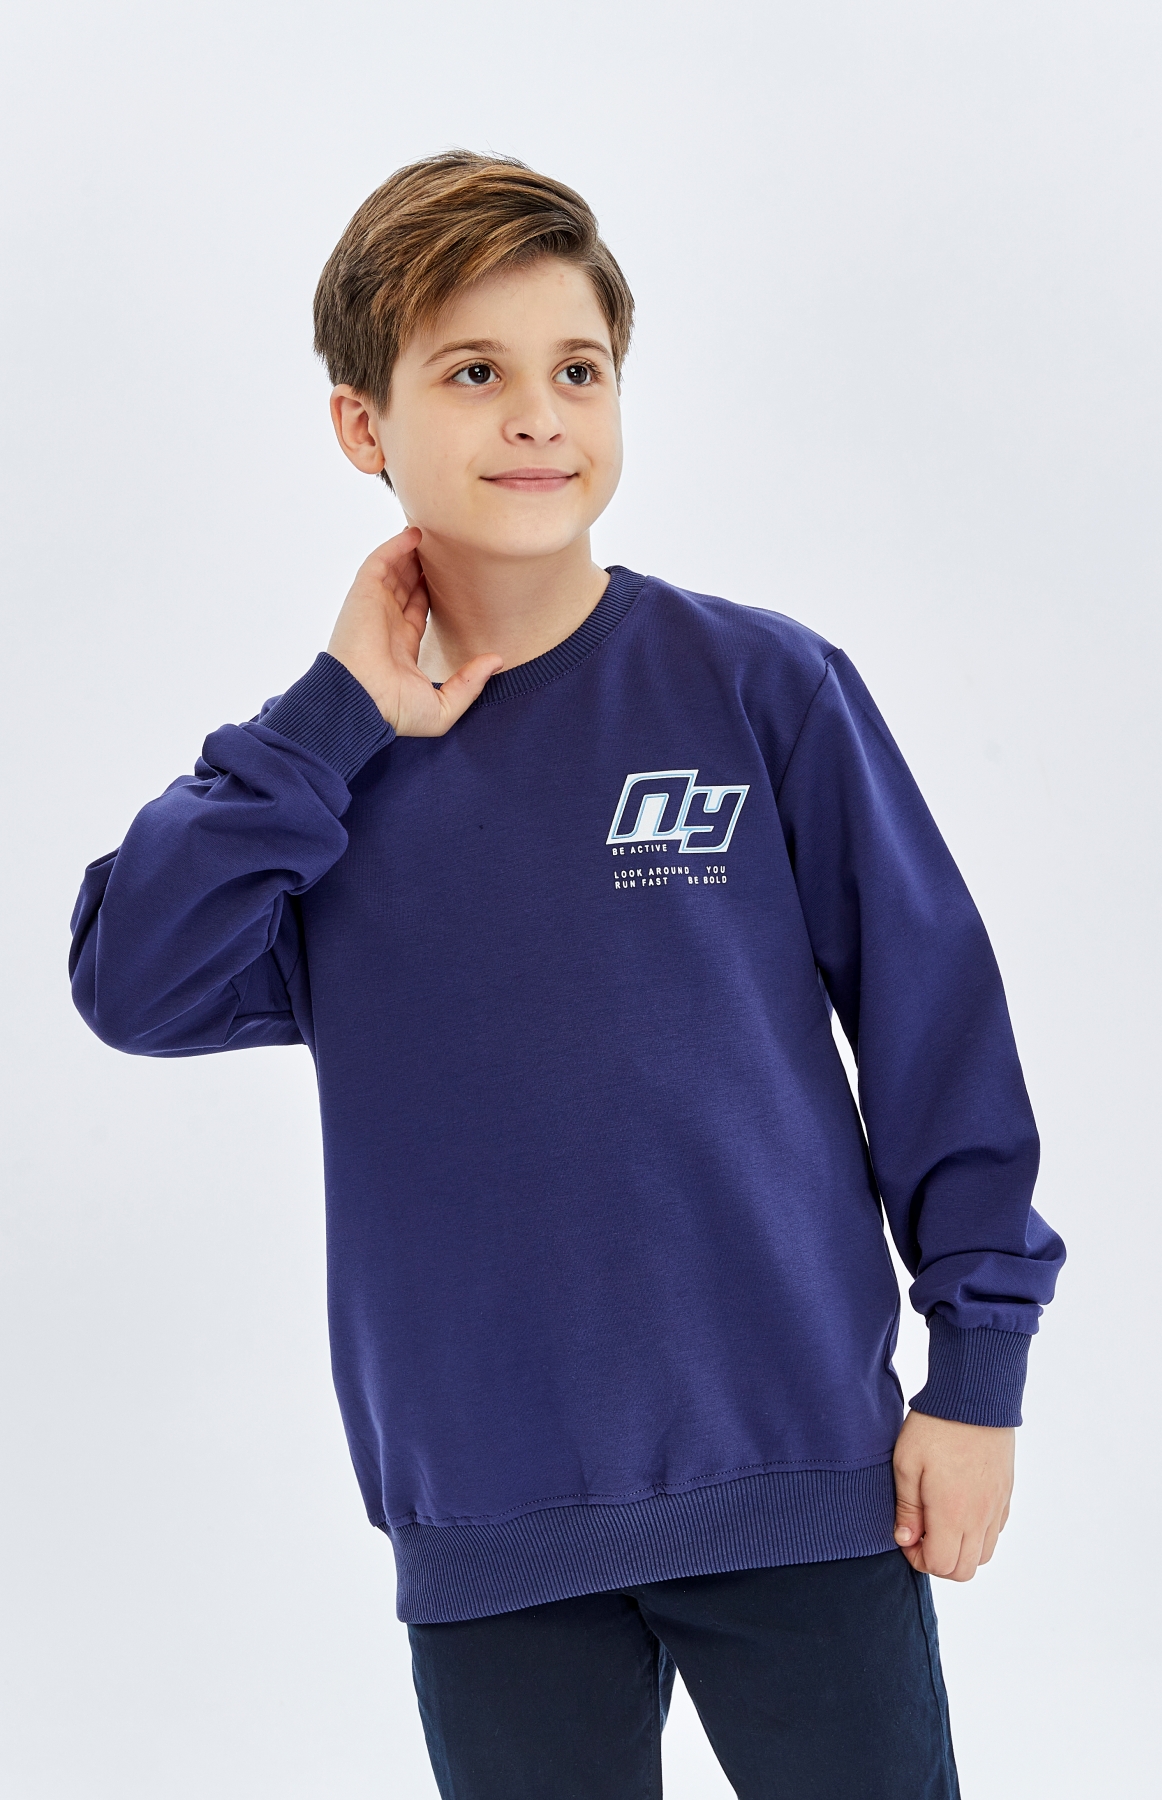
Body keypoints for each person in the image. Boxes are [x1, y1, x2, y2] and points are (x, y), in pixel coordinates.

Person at [69, 151, 1065, 1799]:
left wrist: (979, 1377)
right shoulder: (320, 786)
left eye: (577, 371)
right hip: (491, 1528)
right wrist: (327, 719)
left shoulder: (761, 688)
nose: (538, 416)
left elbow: (937, 1027)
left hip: (802, 1480)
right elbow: (133, 984)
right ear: (362, 425)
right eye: (474, 372)